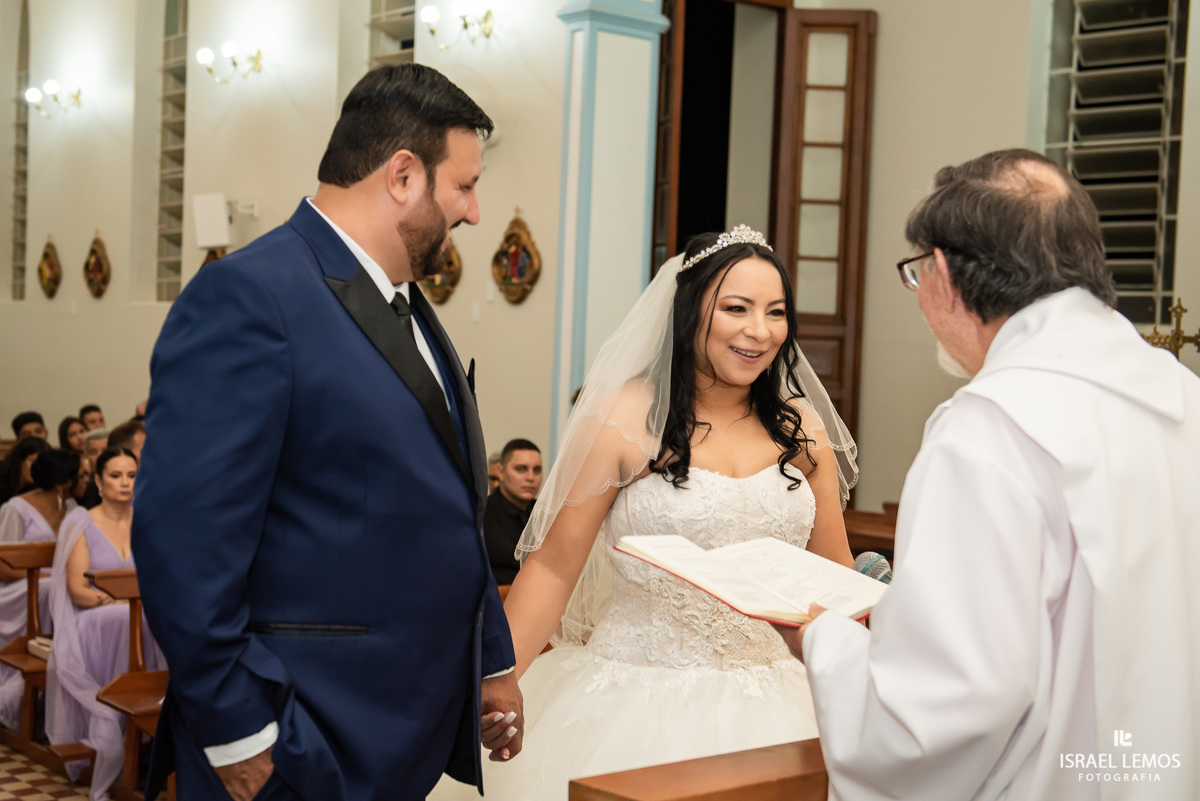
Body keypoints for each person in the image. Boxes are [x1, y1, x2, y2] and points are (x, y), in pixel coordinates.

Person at [133, 63, 520, 801]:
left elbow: (448, 508)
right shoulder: (251, 296)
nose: (474, 211)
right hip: (298, 734)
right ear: (402, 174)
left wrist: (491, 662)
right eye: (463, 186)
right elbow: (184, 542)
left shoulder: (404, 304)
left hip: (391, 736)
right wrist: (240, 729)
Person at [775, 149, 1200, 801]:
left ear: (942, 272)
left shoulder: (989, 429)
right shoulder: (1180, 397)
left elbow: (942, 711)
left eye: (916, 276)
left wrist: (825, 642)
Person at [447, 227, 857, 801]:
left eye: (776, 312)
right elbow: (554, 569)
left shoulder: (801, 426)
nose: (759, 331)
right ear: (690, 312)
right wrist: (498, 678)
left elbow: (833, 578)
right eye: (736, 308)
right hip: (635, 699)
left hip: (784, 698)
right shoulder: (627, 416)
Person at [47, 448, 164, 801]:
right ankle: (119, 717)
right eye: (115, 475)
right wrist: (117, 601)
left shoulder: (146, 519)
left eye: (131, 475)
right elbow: (78, 590)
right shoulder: (80, 522)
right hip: (94, 620)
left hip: (139, 614)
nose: (125, 483)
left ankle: (154, 720)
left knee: (158, 619)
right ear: (98, 481)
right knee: (123, 617)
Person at [0, 448, 84, 729]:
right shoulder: (15, 508)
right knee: (54, 588)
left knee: (64, 588)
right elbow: (4, 566)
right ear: (63, 482)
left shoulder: (73, 509)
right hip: (14, 590)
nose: (85, 481)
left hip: (51, 588)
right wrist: (46, 577)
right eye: (80, 476)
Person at [483, 439, 543, 585]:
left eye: (536, 470)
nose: (530, 478)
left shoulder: (548, 516)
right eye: (521, 469)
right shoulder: (481, 515)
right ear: (501, 472)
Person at [0, 436, 50, 505]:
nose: (38, 468)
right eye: (33, 462)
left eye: (43, 464)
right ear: (19, 460)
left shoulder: (36, 488)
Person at [77, 430, 109, 510]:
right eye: (93, 452)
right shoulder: (82, 485)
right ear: (86, 456)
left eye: (105, 451)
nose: (100, 456)